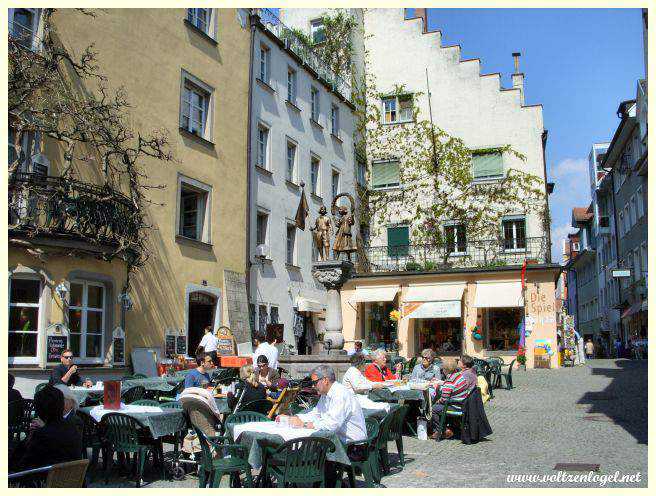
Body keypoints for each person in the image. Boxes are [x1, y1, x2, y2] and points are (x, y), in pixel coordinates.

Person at [278, 365, 366, 443]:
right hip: (338, 441)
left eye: (315, 383)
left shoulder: (340, 394)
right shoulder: (326, 394)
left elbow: (332, 425)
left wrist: (303, 424)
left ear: (325, 380)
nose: (313, 386)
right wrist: (293, 418)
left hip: (353, 446)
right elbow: (316, 414)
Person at [16, 384, 83, 471]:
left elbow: (23, 463)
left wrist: (42, 430)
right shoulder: (69, 427)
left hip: (46, 478)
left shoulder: (73, 422)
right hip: (68, 476)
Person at [429, 358, 476, 440]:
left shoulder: (449, 382)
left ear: (445, 370)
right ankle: (445, 428)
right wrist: (443, 383)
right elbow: (452, 386)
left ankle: (441, 431)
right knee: (438, 406)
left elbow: (444, 399)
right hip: (462, 403)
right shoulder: (459, 376)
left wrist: (437, 401)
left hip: (456, 406)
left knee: (434, 408)